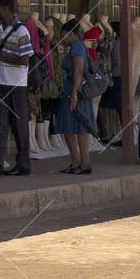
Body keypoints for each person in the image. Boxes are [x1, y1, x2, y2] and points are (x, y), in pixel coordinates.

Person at [0, 0, 32, 177]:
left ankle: (23, 164)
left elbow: (25, 60)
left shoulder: (22, 31)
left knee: (19, 125)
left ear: (6, 8)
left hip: (17, 84)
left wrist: (5, 58)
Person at [52, 20, 96, 175]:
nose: (62, 38)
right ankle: (79, 162)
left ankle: (82, 163)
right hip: (72, 90)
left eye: (64, 35)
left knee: (77, 127)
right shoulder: (76, 47)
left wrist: (75, 94)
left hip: (74, 91)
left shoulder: (77, 47)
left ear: (71, 34)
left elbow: (78, 70)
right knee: (75, 127)